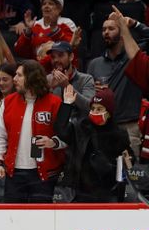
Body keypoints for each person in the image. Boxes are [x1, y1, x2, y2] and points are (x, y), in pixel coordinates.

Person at [0, 60, 66, 203]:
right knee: (13, 219)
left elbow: (68, 136)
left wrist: (53, 142)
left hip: (43, 174)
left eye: (19, 75)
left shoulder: (54, 102)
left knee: (40, 220)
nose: (14, 79)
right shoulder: (8, 102)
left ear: (31, 77)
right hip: (14, 173)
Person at [87, 14, 149, 157]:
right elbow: (89, 98)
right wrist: (94, 94)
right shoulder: (94, 64)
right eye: (103, 29)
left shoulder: (134, 57)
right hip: (102, 127)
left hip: (129, 126)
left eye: (111, 28)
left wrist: (134, 24)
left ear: (122, 33)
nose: (106, 32)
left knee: (130, 175)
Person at [57, 86, 131, 202]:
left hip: (108, 192)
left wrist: (121, 162)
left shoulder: (119, 134)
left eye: (99, 109)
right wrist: (67, 105)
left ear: (109, 112)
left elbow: (128, 163)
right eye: (93, 108)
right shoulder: (81, 127)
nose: (95, 112)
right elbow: (60, 130)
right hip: (81, 191)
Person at [46, 41, 95, 122]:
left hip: (79, 129)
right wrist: (51, 88)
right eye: (53, 57)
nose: (56, 60)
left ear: (71, 57)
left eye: (60, 55)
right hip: (54, 128)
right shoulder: (48, 79)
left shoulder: (86, 79)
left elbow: (90, 107)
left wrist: (67, 86)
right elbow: (43, 108)